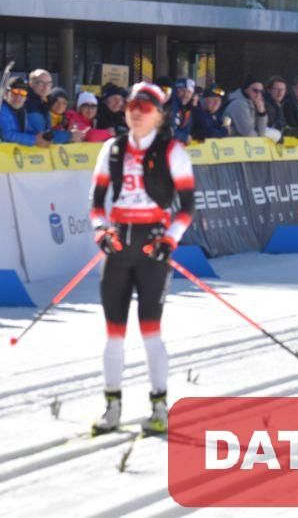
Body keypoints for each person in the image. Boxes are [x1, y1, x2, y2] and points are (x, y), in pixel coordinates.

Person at [89, 82, 195, 437]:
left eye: (145, 107)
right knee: (113, 334)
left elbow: (187, 207)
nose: (136, 112)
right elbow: (96, 201)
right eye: (132, 105)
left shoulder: (173, 151)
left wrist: (170, 240)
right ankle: (112, 406)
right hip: (119, 246)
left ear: (159, 115)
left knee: (151, 331)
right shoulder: (112, 148)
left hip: (152, 248)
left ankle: (159, 406)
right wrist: (101, 231)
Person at [0, 77, 53, 147]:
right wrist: (34, 139)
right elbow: (5, 135)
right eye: (15, 92)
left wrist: (42, 137)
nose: (18, 97)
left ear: (26, 97)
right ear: (6, 93)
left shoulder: (22, 111)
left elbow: (28, 131)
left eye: (23, 93)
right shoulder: (0, 110)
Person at [167, 78, 196, 142]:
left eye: (189, 92)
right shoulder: (170, 106)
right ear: (175, 91)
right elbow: (169, 132)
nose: (185, 95)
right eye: (182, 90)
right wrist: (184, 137)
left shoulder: (188, 108)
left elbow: (187, 131)